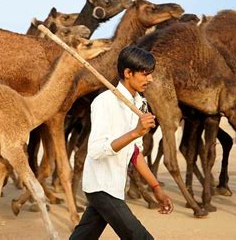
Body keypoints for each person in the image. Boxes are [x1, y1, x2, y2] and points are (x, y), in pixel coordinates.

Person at [70, 46, 173, 240]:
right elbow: (96, 150)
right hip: (102, 187)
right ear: (128, 73)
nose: (150, 79)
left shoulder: (140, 104)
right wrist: (135, 132)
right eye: (145, 74)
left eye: (151, 74)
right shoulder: (104, 102)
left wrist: (156, 187)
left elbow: (134, 153)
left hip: (115, 186)